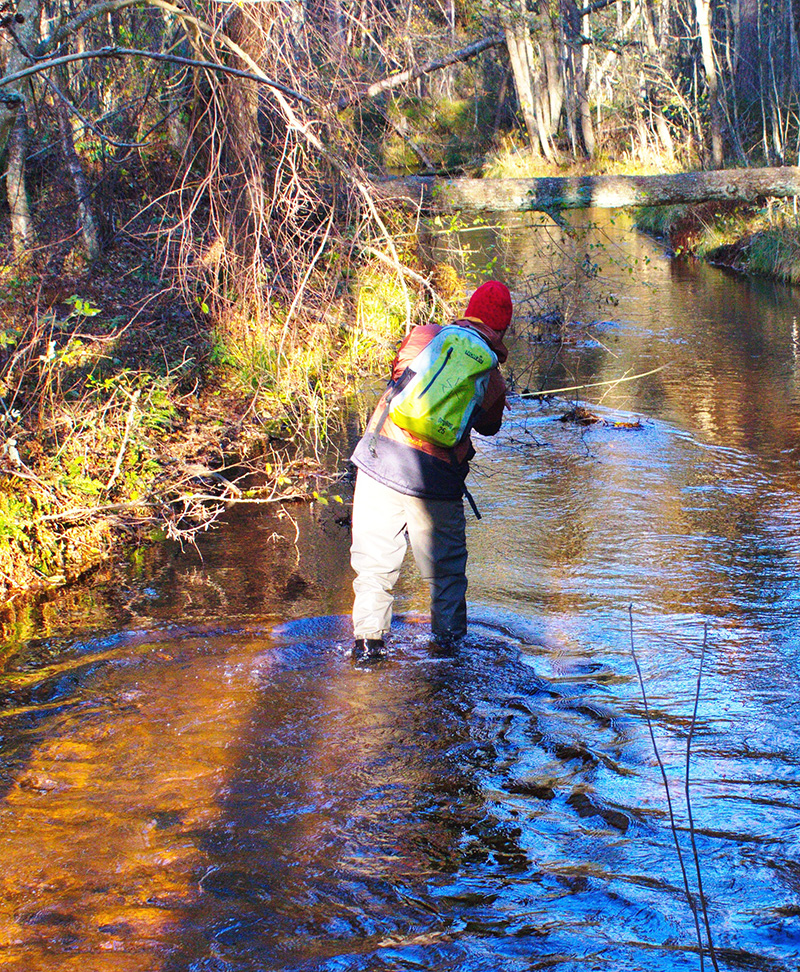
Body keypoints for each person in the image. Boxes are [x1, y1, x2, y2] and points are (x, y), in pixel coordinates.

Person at [349, 279, 513, 662]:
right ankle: (448, 663)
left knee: (374, 569)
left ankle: (367, 653)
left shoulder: (423, 335)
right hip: (435, 483)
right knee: (447, 579)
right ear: (502, 329)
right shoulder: (491, 375)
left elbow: (397, 375)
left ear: (468, 309)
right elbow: (489, 427)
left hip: (379, 460)